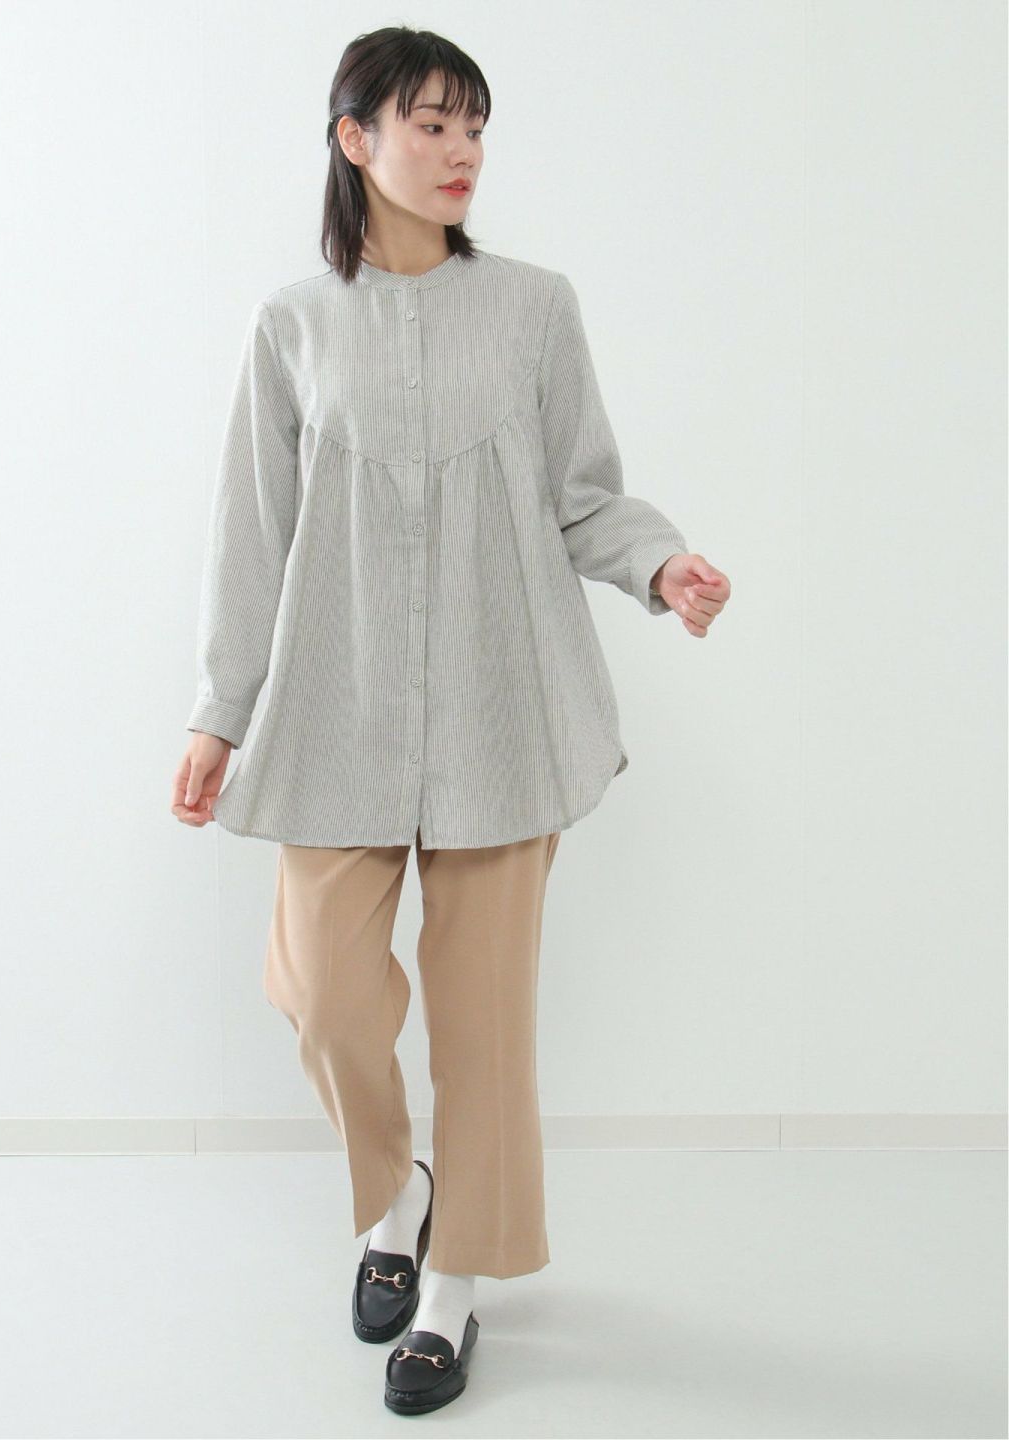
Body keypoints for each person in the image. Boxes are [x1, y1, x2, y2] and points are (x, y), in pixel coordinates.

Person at [171, 25, 730, 1415]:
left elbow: (583, 492)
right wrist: (219, 712)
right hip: (335, 710)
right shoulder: (291, 326)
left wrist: (659, 564)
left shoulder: (534, 308)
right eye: (430, 123)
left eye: (474, 125)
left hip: (501, 706)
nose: (462, 149)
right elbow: (253, 534)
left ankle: (452, 1287)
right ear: (354, 139)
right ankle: (395, 1199)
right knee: (324, 995)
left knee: (484, 1028)